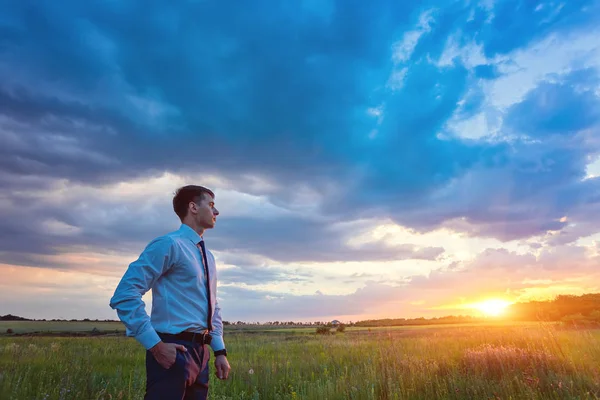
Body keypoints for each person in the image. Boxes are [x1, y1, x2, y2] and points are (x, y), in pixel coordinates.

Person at [109, 185, 230, 400]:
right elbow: (125, 294)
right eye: (211, 205)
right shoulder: (168, 244)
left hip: (202, 354)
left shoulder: (207, 256)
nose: (216, 212)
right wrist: (155, 346)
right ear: (193, 207)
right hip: (173, 350)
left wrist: (219, 350)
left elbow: (213, 305)